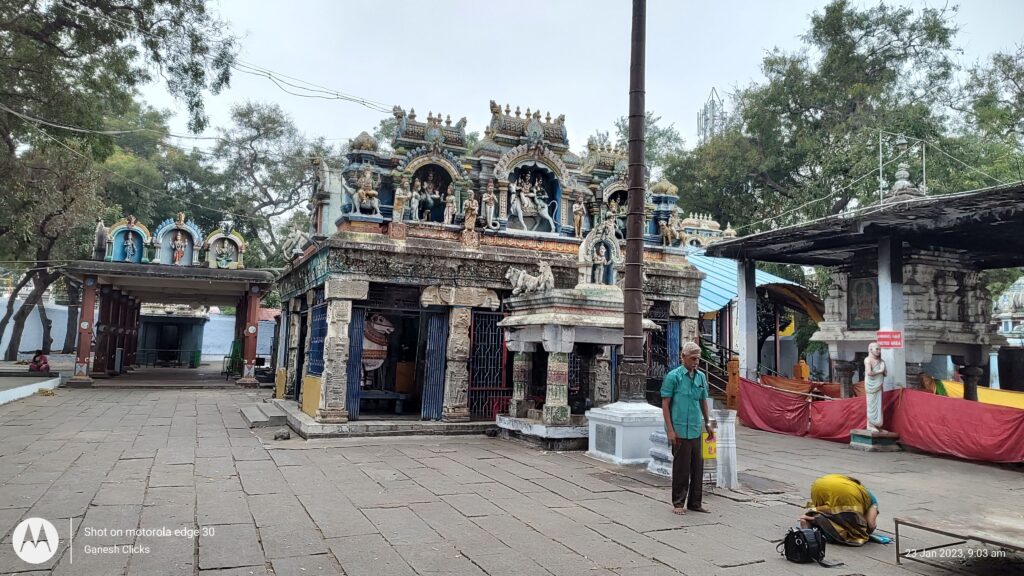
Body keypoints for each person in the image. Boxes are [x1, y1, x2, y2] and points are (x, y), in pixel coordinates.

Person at [660, 341, 714, 515]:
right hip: (679, 429)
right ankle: (678, 502)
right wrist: (670, 430)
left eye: (698, 359)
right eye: (692, 359)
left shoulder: (700, 377)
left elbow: (703, 401)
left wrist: (708, 424)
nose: (696, 362)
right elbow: (665, 404)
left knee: (698, 467)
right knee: (681, 468)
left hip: (696, 429)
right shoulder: (673, 377)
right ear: (682, 357)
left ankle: (695, 503)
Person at [799, 474, 879, 546]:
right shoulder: (872, 502)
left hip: (819, 484)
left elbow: (830, 510)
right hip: (846, 493)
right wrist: (866, 531)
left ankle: (809, 524)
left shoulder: (857, 488)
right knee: (845, 519)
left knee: (831, 511)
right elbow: (871, 525)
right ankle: (813, 520)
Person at [864, 342, 887, 432]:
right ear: (870, 349)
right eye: (877, 349)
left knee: (878, 405)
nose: (879, 351)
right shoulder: (867, 360)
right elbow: (869, 373)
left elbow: (885, 373)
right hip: (871, 386)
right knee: (871, 404)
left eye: (880, 349)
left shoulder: (881, 361)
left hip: (879, 385)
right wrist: (880, 370)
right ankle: (870, 425)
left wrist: (884, 368)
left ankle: (877, 425)